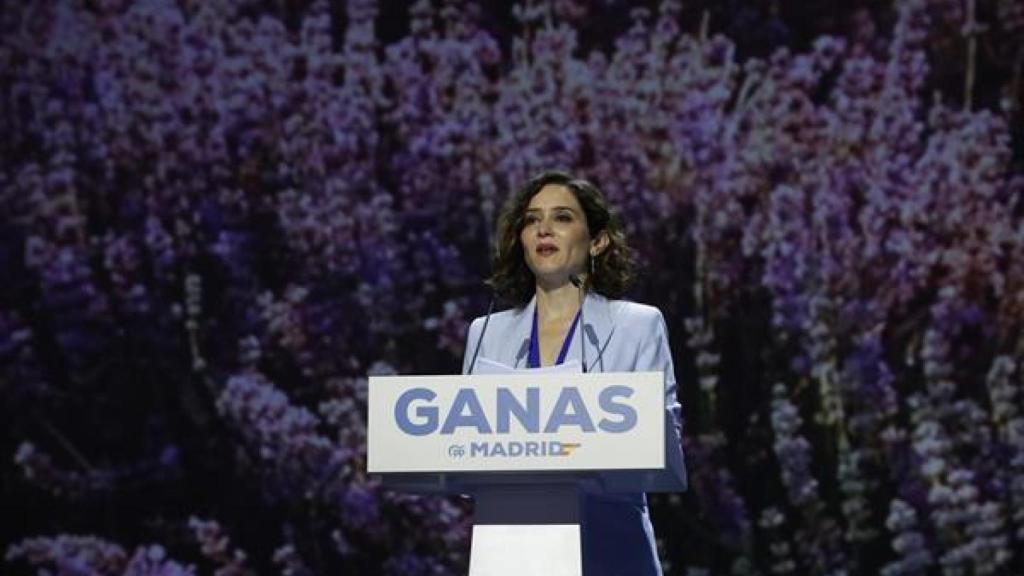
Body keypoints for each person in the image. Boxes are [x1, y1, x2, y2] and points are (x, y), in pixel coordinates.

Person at [461, 170, 684, 576]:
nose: (544, 228)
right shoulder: (486, 332)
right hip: (511, 551)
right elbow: (462, 451)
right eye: (532, 220)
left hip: (609, 548)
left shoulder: (638, 324)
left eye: (562, 217)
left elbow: (663, 441)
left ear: (597, 240)